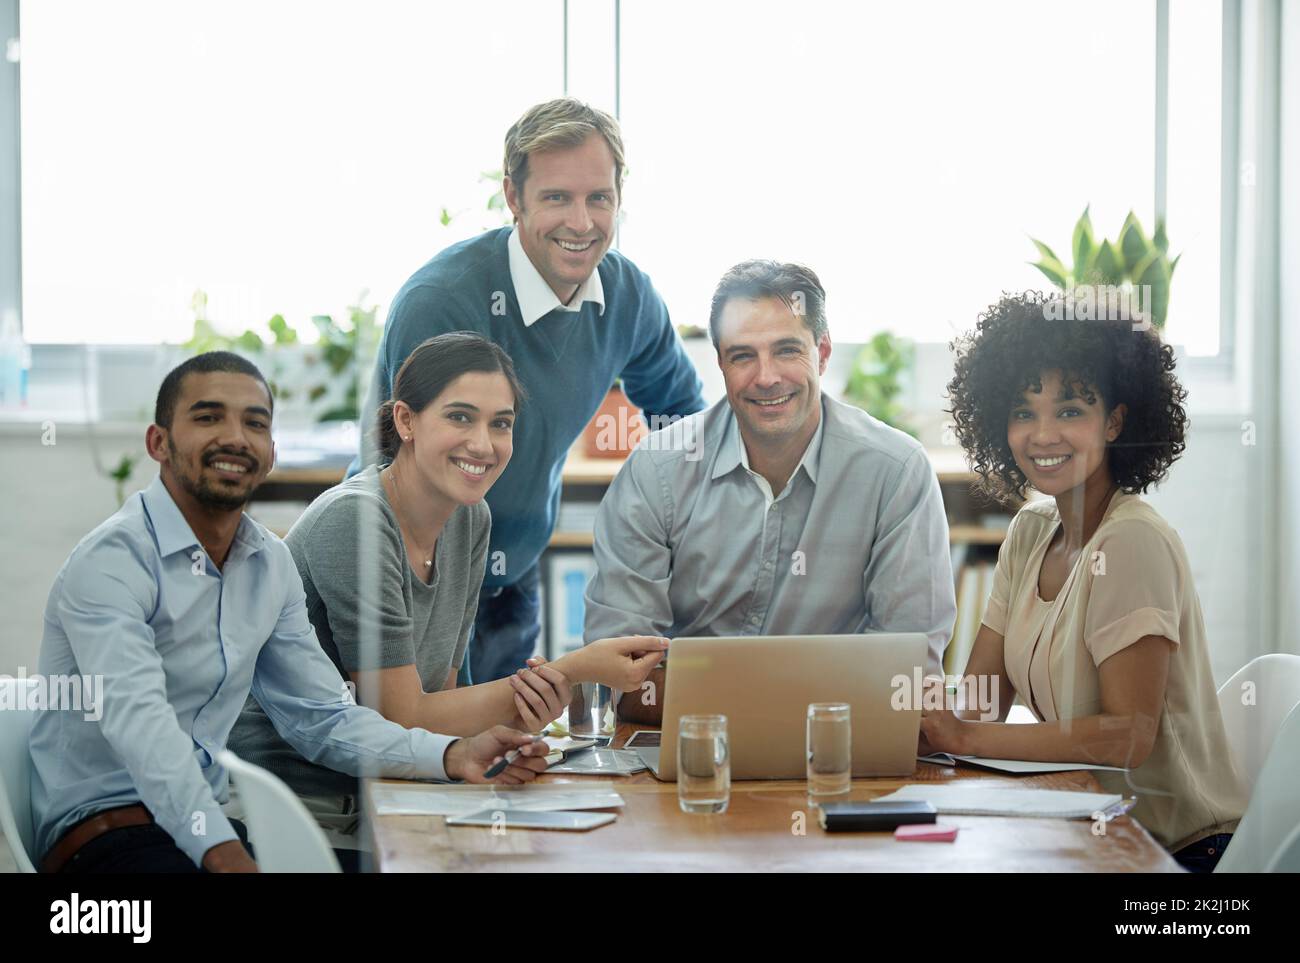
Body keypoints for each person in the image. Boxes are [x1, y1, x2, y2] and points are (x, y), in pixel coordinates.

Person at [28, 351, 550, 874]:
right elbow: (143, 728)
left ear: (270, 452)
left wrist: (453, 755)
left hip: (214, 828)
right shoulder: (111, 564)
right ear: (158, 443)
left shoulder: (267, 564)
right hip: (110, 837)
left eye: (254, 423)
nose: (235, 437)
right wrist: (222, 853)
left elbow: (321, 716)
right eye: (208, 417)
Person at [230, 333, 666, 839]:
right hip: (307, 812)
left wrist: (523, 716)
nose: (483, 444)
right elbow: (398, 715)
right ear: (406, 420)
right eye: (460, 417)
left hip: (394, 788)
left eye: (500, 423)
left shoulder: (469, 518)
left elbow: (441, 696)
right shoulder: (355, 520)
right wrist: (572, 669)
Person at [353, 97, 706, 684]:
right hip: (408, 573)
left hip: (510, 574)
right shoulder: (444, 300)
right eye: (556, 198)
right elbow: (416, 480)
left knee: (509, 760)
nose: (582, 222)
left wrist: (679, 518)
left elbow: (681, 418)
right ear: (513, 199)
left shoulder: (628, 297)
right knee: (429, 759)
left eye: (599, 198)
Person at [927, 291, 1247, 869]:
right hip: (1089, 827)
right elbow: (982, 703)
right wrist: (906, 713)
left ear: (1117, 420)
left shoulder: (1130, 542)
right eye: (1023, 411)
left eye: (1070, 410)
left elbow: (1127, 736)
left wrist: (964, 739)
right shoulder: (1031, 531)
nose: (1042, 435)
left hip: (1178, 852)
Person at [584, 260, 957, 724]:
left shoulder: (895, 471)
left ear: (821, 353)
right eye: (742, 356)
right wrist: (777, 708)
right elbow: (617, 672)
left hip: (839, 748)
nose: (766, 377)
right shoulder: (656, 470)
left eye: (786, 350)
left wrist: (740, 705)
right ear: (720, 362)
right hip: (687, 746)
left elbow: (909, 677)